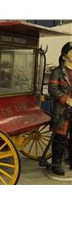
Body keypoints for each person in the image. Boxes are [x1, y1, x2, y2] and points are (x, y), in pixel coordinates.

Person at [48, 42, 72, 175]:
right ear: (64, 56)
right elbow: (52, 89)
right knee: (60, 137)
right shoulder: (57, 72)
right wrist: (66, 99)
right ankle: (56, 163)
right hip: (62, 110)